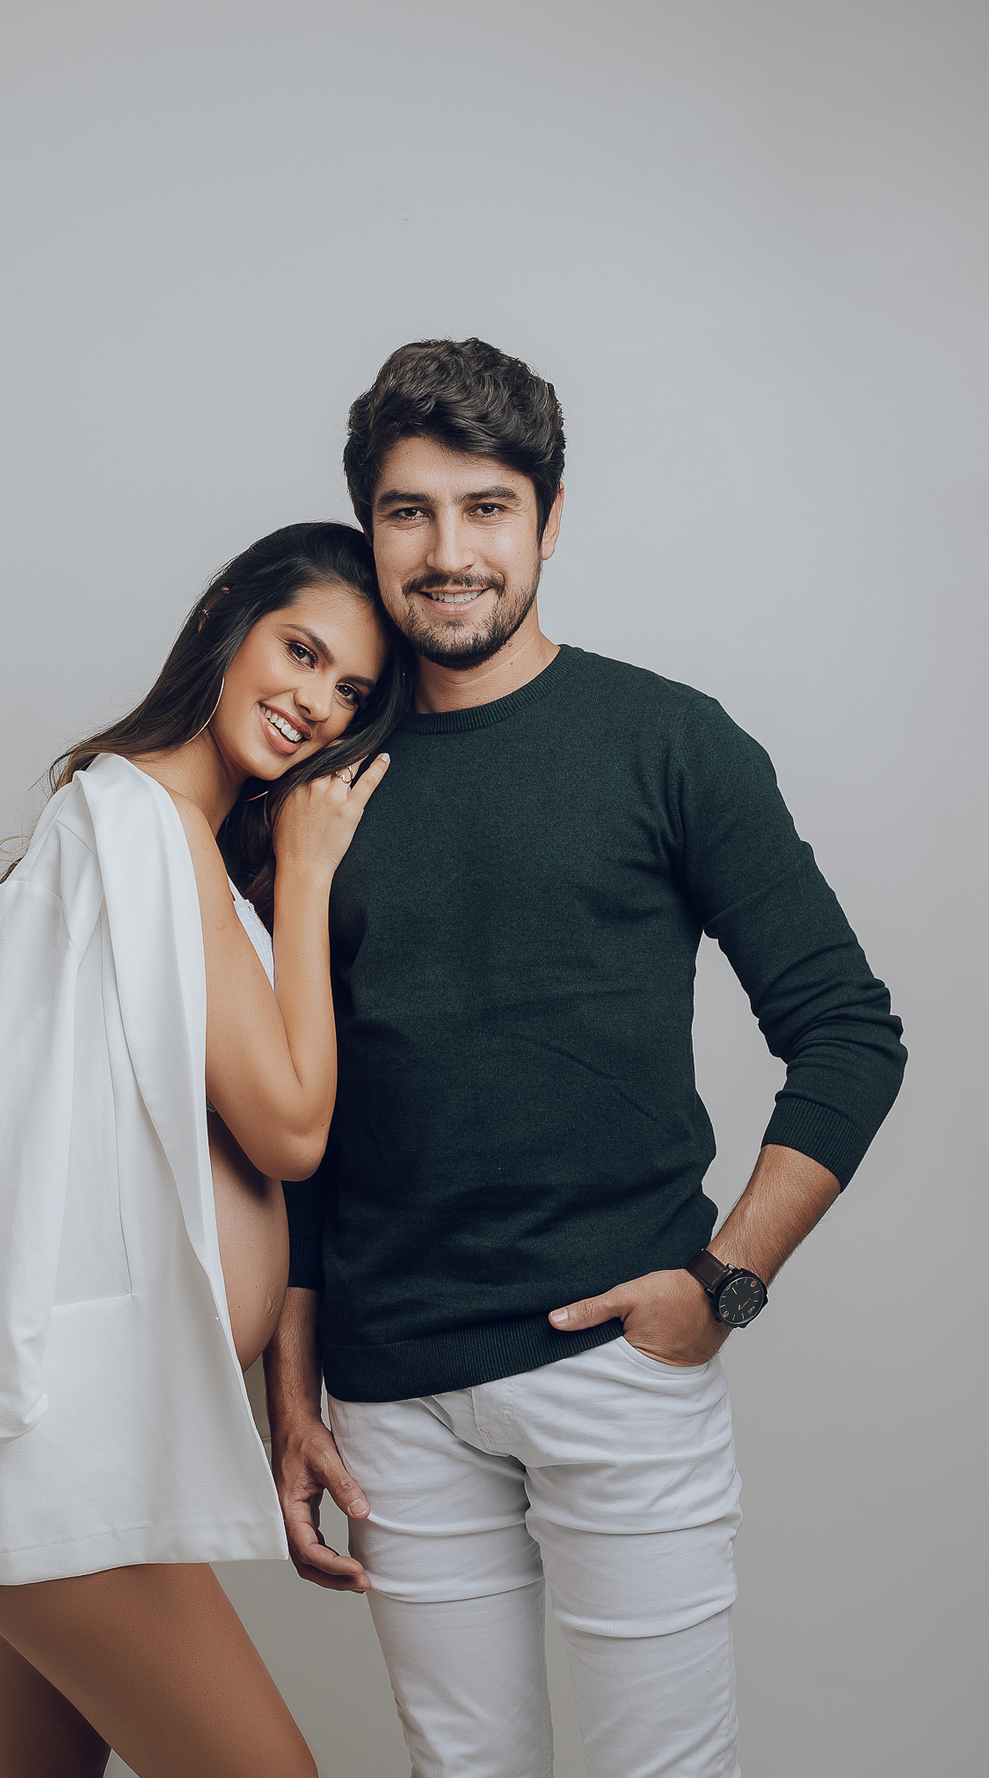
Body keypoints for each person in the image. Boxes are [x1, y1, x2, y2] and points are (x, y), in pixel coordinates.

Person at [264, 342, 907, 1778]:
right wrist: (290, 1391)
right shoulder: (317, 785)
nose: (449, 552)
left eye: (487, 508)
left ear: (550, 521)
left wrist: (724, 1281)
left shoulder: (670, 744)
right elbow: (300, 1120)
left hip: (621, 1363)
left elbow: (849, 1034)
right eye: (410, 511)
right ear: (369, 528)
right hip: (391, 1393)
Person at [0, 521, 409, 1778]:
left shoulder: (167, 845)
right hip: (58, 1436)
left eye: (350, 693)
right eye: (301, 651)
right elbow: (291, 1127)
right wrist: (309, 875)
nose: (316, 705)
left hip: (87, 1432)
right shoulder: (144, 826)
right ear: (226, 615)